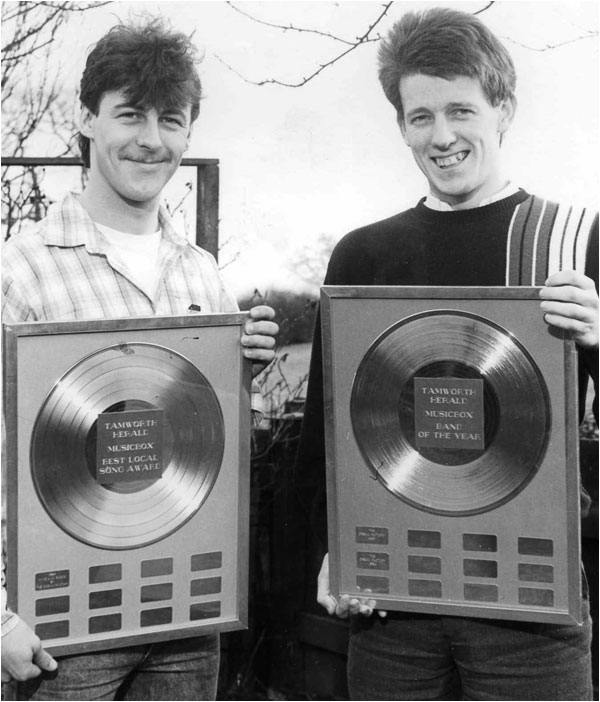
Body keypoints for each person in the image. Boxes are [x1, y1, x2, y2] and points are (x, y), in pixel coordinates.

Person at [296, 7, 598, 701]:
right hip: (393, 606)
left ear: (503, 110)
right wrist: (331, 553)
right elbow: (325, 439)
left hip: (532, 612)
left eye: (461, 109)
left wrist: (599, 337)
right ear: (400, 125)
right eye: (419, 115)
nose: (442, 135)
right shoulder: (363, 254)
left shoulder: (575, 242)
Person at [1, 19, 278, 701]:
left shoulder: (202, 274)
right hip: (55, 623)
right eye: (129, 114)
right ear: (86, 118)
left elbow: (203, 451)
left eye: (170, 120)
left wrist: (243, 377)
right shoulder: (22, 270)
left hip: (186, 612)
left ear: (188, 134)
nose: (150, 139)